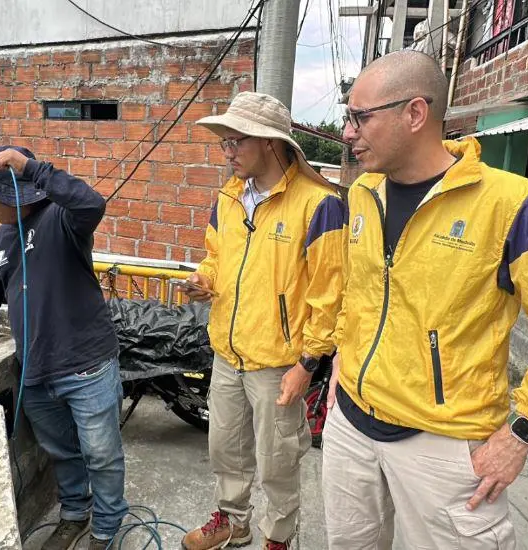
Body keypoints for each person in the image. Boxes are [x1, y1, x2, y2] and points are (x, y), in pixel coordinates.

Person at [324, 49, 528, 549]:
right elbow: (362, 295)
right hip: (350, 428)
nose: (348, 131)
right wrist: (340, 362)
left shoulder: (515, 205)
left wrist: (521, 434)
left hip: (443, 448)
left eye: (360, 116)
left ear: (415, 113)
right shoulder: (363, 195)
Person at [0, 145, 127, 550]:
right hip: (36, 371)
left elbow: (92, 203)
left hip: (87, 365)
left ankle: (105, 529)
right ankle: (75, 513)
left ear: (12, 194)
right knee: (62, 451)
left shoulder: (62, 219)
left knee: (102, 454)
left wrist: (32, 169)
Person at [180, 92, 345, 550]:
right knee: (225, 450)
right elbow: (217, 258)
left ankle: (278, 537)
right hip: (227, 353)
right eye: (224, 143)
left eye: (237, 141)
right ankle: (234, 522)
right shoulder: (229, 198)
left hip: (279, 363)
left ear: (271, 143)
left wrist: (307, 363)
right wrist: (202, 279)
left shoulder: (318, 205)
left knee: (278, 460)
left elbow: (329, 296)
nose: (227, 152)